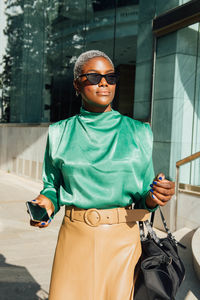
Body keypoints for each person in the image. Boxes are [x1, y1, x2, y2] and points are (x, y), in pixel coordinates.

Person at [30, 50, 175, 300]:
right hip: (74, 240)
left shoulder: (139, 132)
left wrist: (155, 197)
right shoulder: (59, 133)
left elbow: (142, 202)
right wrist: (45, 203)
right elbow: (51, 186)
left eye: (110, 76)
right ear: (77, 84)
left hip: (123, 242)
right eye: (94, 77)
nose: (104, 83)